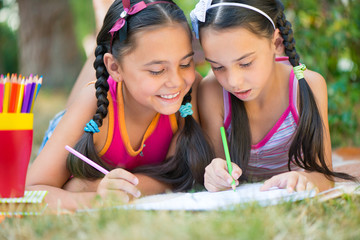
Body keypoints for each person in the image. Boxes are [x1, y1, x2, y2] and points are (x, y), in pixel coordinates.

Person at [26, 0, 213, 211]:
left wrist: (87, 186)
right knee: (89, 90)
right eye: (157, 70)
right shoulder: (93, 103)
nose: (177, 81)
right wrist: (98, 198)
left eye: (185, 64)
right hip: (85, 116)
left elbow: (178, 177)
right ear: (115, 67)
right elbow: (30, 193)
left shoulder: (188, 91)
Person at [191, 0, 356, 193]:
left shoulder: (307, 86)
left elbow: (323, 175)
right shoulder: (212, 92)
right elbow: (218, 167)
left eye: (245, 63)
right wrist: (215, 174)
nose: (233, 81)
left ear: (276, 43)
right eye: (218, 67)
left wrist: (303, 178)